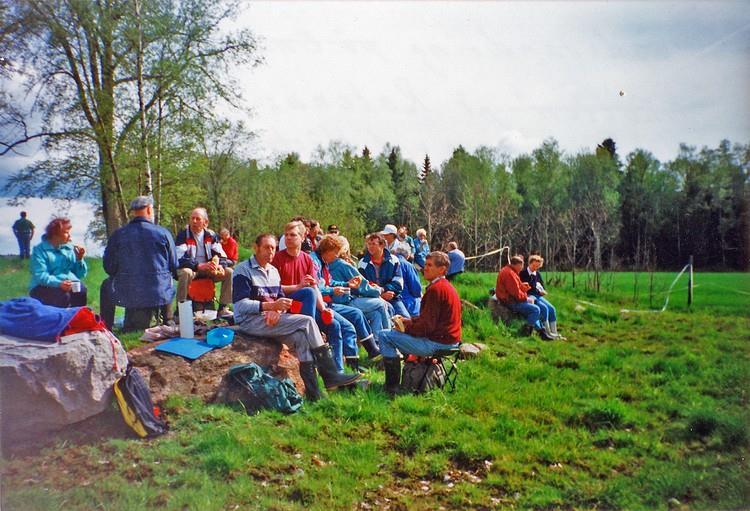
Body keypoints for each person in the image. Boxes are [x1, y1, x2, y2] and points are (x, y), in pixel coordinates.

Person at [232, 233, 361, 401]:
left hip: (269, 318)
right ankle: (330, 375)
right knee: (307, 321)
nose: (270, 252)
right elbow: (240, 306)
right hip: (249, 321)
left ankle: (314, 394)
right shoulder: (242, 270)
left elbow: (278, 300)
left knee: (301, 337)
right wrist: (270, 306)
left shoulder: (273, 271)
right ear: (255, 248)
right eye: (266, 247)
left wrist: (277, 310)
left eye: (273, 248)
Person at [273, 221, 359, 372]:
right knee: (308, 292)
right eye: (286, 235)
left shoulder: (306, 259)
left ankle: (337, 372)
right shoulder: (278, 259)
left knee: (335, 325)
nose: (288, 238)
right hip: (286, 306)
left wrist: (323, 308)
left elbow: (315, 287)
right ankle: (310, 337)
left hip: (307, 307)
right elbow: (273, 289)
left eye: (292, 235)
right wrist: (298, 287)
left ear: (302, 237)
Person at [378, 251, 462, 395]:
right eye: (425, 265)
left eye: (430, 265)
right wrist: (408, 321)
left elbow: (426, 327)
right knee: (392, 333)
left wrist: (404, 328)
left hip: (438, 344)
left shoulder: (436, 290)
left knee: (384, 336)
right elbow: (429, 319)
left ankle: (391, 387)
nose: (425, 268)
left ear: (441, 269)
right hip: (450, 342)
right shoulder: (445, 286)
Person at [100, 196, 178, 331]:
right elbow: (174, 265)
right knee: (168, 278)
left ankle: (106, 327)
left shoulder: (118, 234)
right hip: (158, 291)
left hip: (127, 292)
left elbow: (109, 267)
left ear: (133, 212)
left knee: (106, 285)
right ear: (149, 209)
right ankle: (168, 319)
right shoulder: (163, 233)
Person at [310, 234, 381, 367]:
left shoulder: (323, 261)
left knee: (357, 314)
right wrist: (332, 290)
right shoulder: (314, 262)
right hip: (319, 305)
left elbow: (330, 281)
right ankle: (352, 366)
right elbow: (317, 287)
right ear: (327, 250)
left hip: (326, 302)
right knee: (348, 326)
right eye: (335, 253)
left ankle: (372, 351)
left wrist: (346, 284)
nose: (337, 256)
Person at [328, 236, 390, 357]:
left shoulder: (327, 264)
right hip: (346, 301)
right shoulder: (342, 264)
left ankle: (376, 346)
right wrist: (379, 291)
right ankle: (387, 343)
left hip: (338, 300)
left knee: (376, 314)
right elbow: (362, 285)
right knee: (382, 304)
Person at [175, 208, 234, 317]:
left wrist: (220, 265)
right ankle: (180, 311)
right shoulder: (183, 235)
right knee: (186, 272)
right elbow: (179, 257)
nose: (194, 221)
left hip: (208, 269)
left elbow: (222, 254)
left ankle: (223, 308)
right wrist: (198, 265)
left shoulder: (211, 235)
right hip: (192, 270)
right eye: (192, 218)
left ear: (205, 223)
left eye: (198, 219)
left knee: (229, 272)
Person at [29, 217, 87, 307]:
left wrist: (79, 259)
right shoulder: (39, 250)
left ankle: (76, 318)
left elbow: (79, 275)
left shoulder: (69, 248)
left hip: (67, 283)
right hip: (42, 286)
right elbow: (40, 275)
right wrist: (59, 284)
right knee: (62, 296)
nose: (70, 236)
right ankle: (59, 319)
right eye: (66, 232)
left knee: (81, 290)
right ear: (55, 234)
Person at [494, 255, 554, 340]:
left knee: (538, 307)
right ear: (517, 265)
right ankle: (527, 332)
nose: (522, 268)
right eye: (521, 266)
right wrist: (526, 298)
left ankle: (542, 331)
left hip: (511, 298)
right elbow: (516, 293)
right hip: (509, 301)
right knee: (535, 309)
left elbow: (516, 286)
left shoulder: (510, 271)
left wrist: (523, 286)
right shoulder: (509, 274)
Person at [358, 232, 411, 318]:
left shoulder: (393, 260)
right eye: (369, 244)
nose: (370, 247)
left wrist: (383, 289)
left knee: (406, 319)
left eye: (374, 244)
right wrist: (380, 294)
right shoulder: (362, 263)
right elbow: (363, 286)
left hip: (393, 297)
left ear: (382, 245)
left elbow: (398, 283)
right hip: (373, 299)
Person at [519, 255, 564, 339]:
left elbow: (542, 285)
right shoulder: (523, 273)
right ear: (530, 263)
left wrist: (542, 291)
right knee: (544, 308)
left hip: (538, 295)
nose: (535, 268)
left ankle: (554, 332)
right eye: (534, 266)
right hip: (529, 296)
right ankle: (547, 332)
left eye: (537, 266)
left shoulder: (537, 274)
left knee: (552, 309)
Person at [390, 243, 422, 316]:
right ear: (407, 255)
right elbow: (416, 289)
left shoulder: (389, 263)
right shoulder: (407, 265)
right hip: (408, 303)